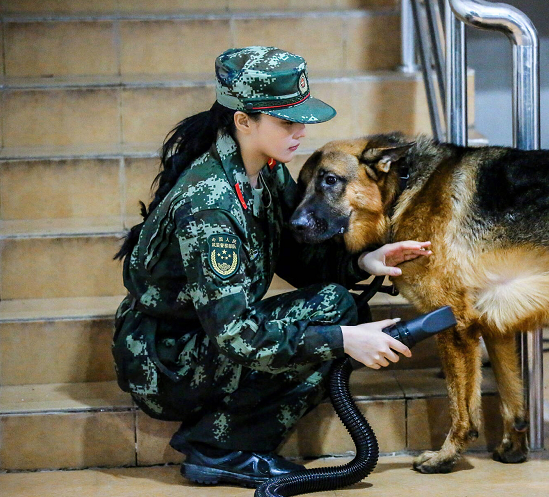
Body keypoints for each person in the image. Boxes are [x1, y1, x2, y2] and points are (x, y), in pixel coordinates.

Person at [112, 46, 431, 487]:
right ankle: (220, 449)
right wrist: (340, 339)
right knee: (336, 324)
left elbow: (296, 260)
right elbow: (234, 335)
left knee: (339, 305)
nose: (300, 131)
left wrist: (363, 261)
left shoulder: (264, 170)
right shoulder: (211, 206)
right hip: (167, 359)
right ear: (244, 121)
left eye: (301, 118)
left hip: (202, 337)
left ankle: (227, 441)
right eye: (286, 121)